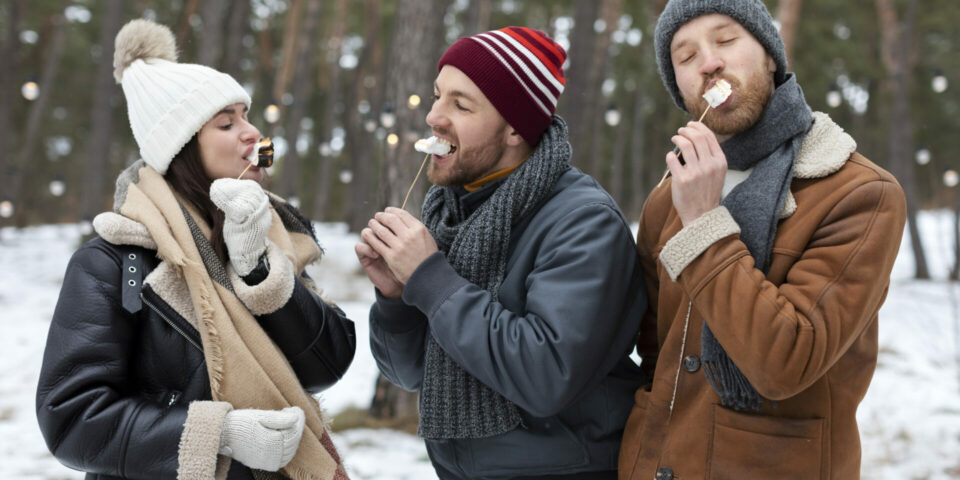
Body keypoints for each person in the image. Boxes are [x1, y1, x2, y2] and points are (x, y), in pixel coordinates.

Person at [36, 19, 354, 480]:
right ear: (181, 148)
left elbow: (329, 363)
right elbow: (71, 418)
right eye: (227, 123)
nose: (252, 133)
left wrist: (258, 272)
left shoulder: (273, 233)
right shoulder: (112, 262)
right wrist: (217, 434)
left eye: (246, 115)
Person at [617, 1, 907, 479]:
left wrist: (706, 223)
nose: (708, 61)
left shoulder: (860, 194)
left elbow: (785, 363)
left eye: (726, 40)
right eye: (685, 57)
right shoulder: (669, 195)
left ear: (771, 55)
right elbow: (658, 353)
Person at [355, 27, 648, 480]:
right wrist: (396, 298)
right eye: (437, 96)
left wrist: (431, 280)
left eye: (461, 104)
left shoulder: (583, 222)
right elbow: (410, 374)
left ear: (515, 127)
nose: (434, 116)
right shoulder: (450, 211)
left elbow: (547, 374)